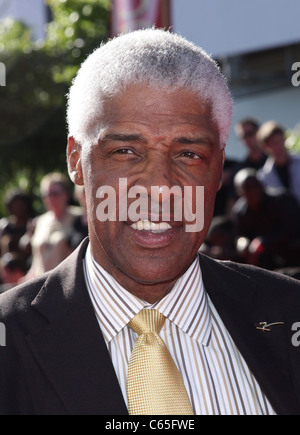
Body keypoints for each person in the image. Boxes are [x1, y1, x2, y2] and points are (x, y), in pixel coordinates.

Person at [1, 28, 300, 416]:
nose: (160, 188)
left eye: (189, 153)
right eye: (125, 151)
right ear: (76, 160)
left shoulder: (288, 314)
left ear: (219, 166)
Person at [232, 168, 300, 270]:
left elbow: (292, 231)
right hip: (264, 264)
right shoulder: (240, 212)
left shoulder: (283, 201)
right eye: (247, 188)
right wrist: (243, 243)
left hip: (292, 258)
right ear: (240, 192)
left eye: (255, 186)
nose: (253, 191)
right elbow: (240, 235)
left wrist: (263, 242)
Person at [23, 172, 81, 279]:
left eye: (55, 193)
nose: (50, 198)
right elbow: (36, 261)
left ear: (66, 194)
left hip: (64, 282)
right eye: (46, 195)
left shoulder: (78, 218)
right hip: (40, 284)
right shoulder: (40, 221)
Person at [257, 120, 300, 205]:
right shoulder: (263, 177)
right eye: (274, 143)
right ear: (265, 147)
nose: (279, 146)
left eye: (280, 140)